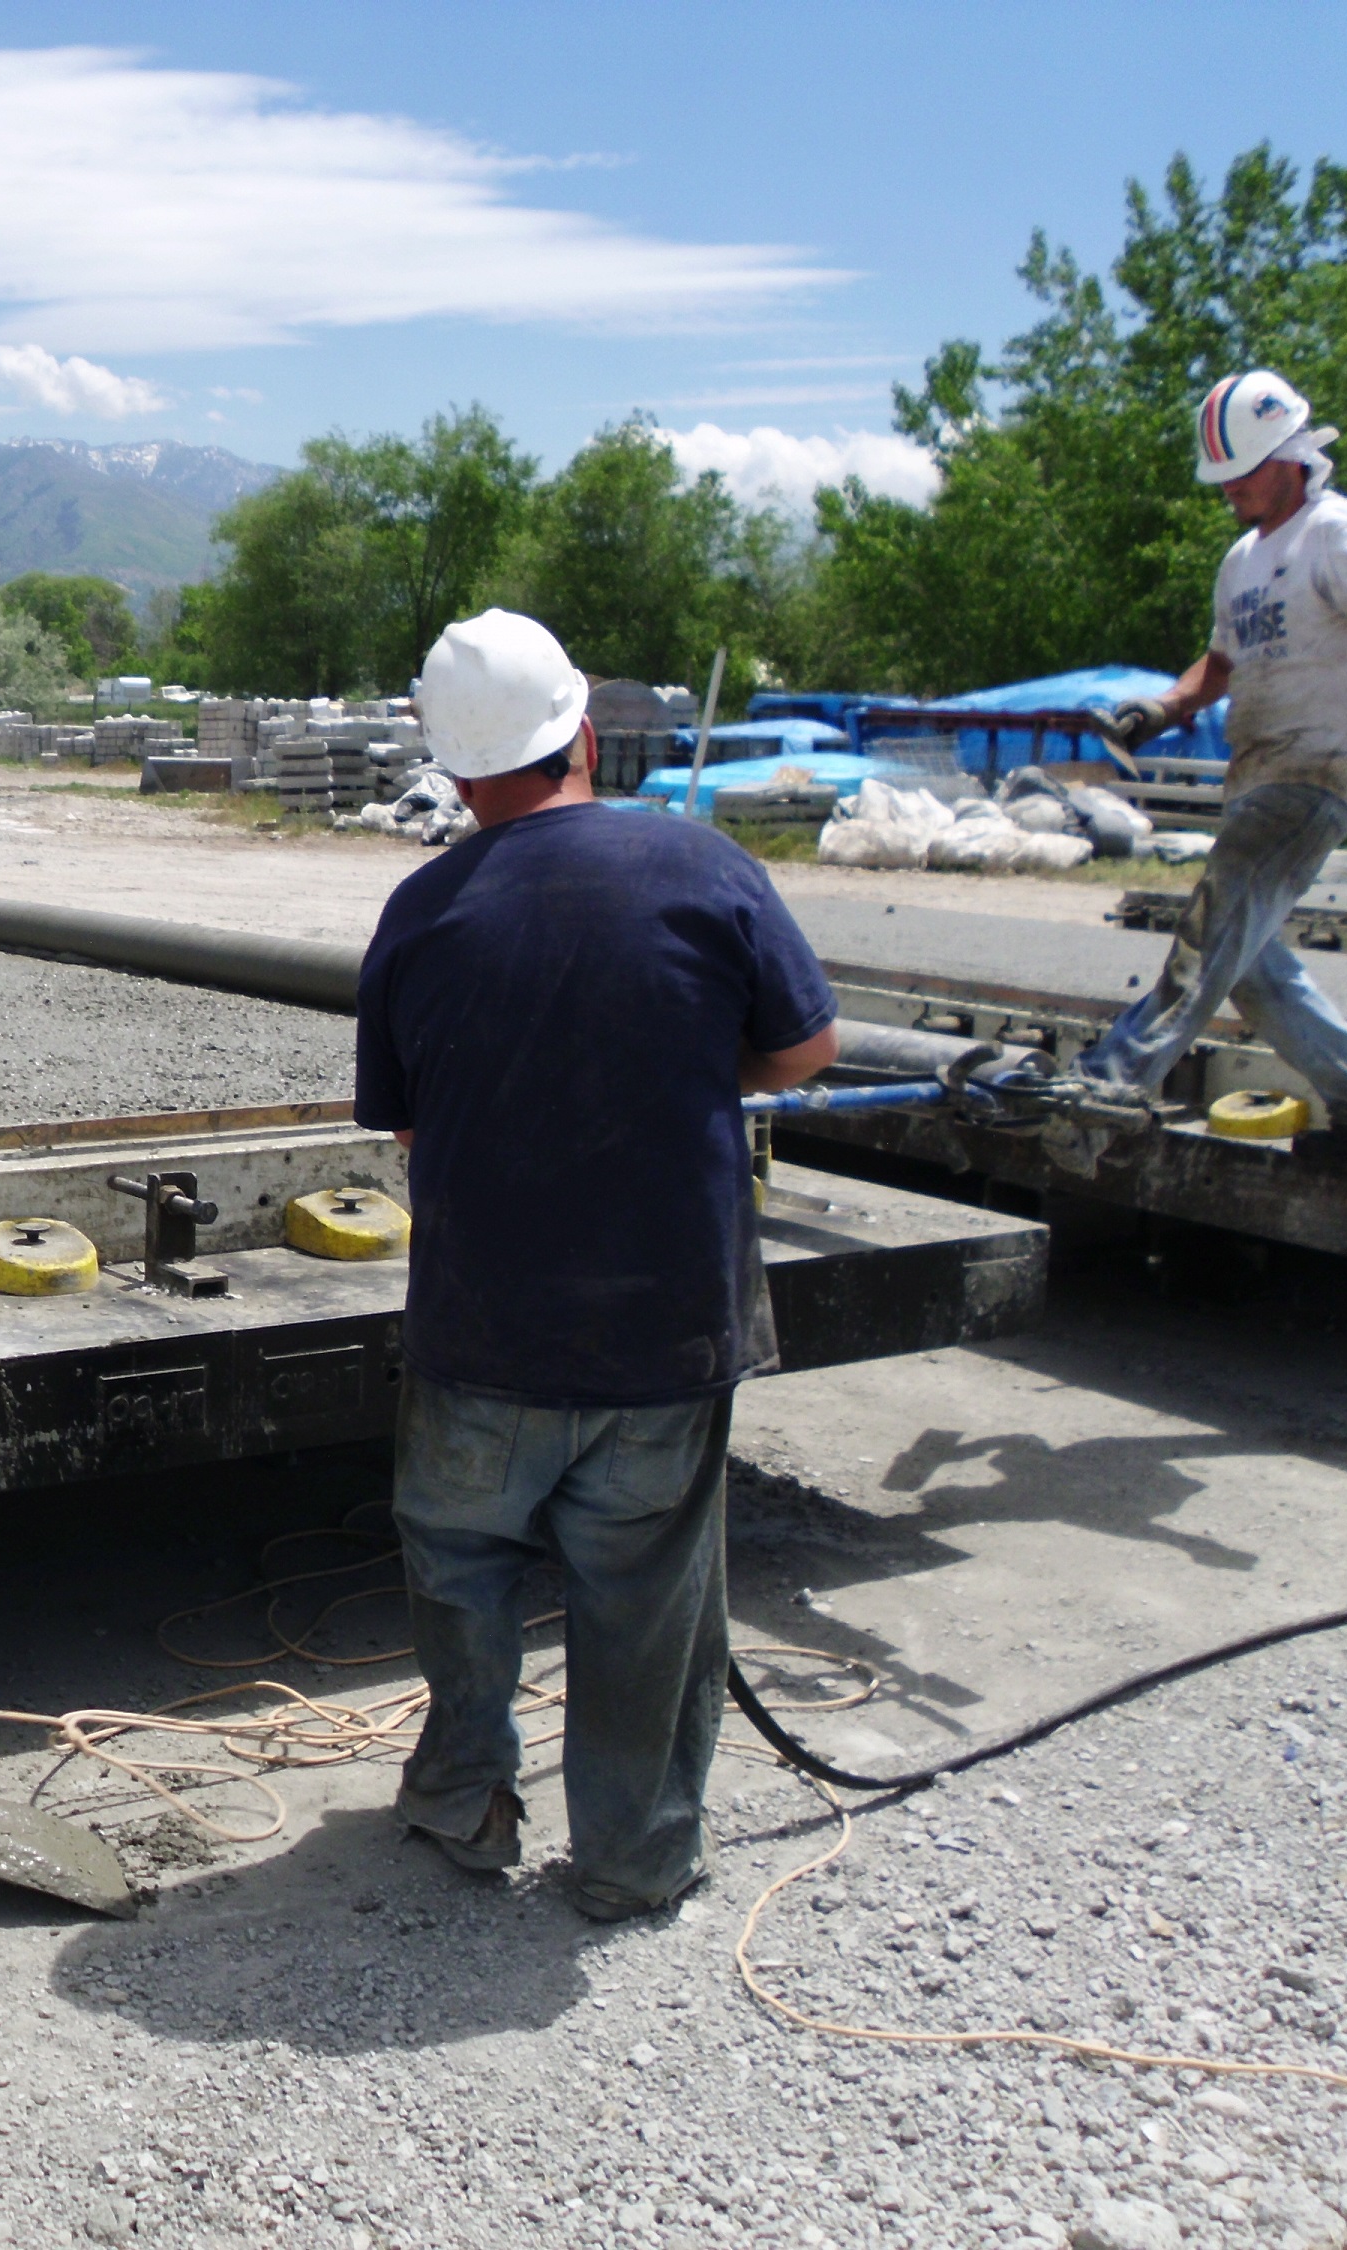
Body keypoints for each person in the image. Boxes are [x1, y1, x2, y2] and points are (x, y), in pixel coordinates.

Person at [354, 610, 838, 1922]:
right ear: (583, 731)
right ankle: (633, 1855)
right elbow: (806, 1049)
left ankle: (465, 1799)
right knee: (648, 1606)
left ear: (458, 774)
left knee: (459, 1572)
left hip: (480, 1334)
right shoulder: (704, 866)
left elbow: (411, 1123)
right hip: (662, 1340)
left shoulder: (421, 910)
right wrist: (692, 1063)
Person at [1085, 370, 1347, 1163]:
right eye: (1221, 477)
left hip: (1318, 773)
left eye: (1244, 473)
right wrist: (1162, 708)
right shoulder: (1243, 559)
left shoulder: (1338, 533)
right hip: (1259, 777)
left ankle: (1109, 1081)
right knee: (1245, 961)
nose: (1230, 489)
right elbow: (1222, 663)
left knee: (1214, 923)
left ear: (1291, 455)